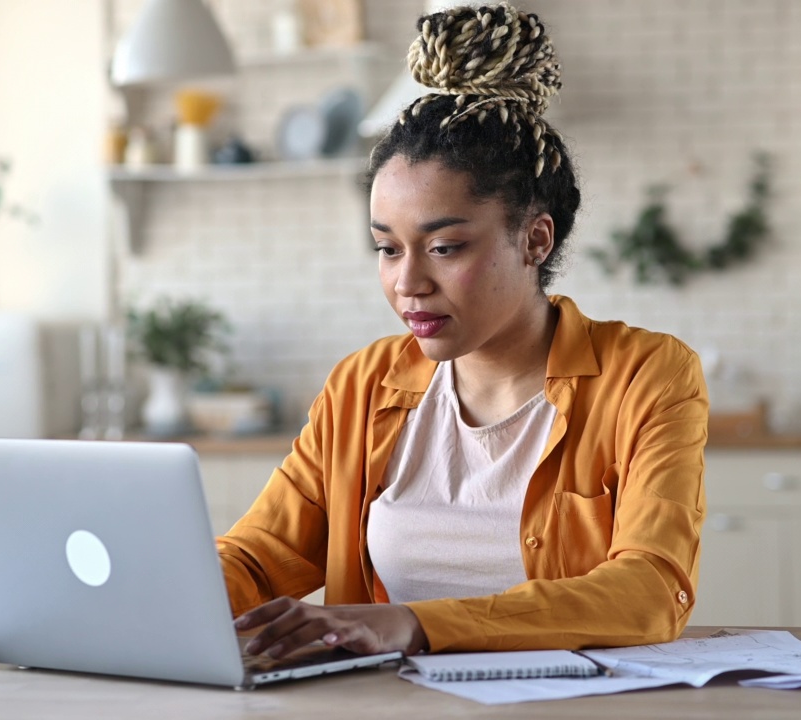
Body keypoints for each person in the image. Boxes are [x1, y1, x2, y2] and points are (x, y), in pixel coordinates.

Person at [219, 2, 708, 659]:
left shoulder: (646, 375)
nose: (408, 282)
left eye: (445, 247)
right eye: (387, 249)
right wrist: (147, 597)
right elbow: (256, 560)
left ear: (534, 239)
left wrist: (414, 624)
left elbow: (650, 589)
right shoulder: (364, 384)